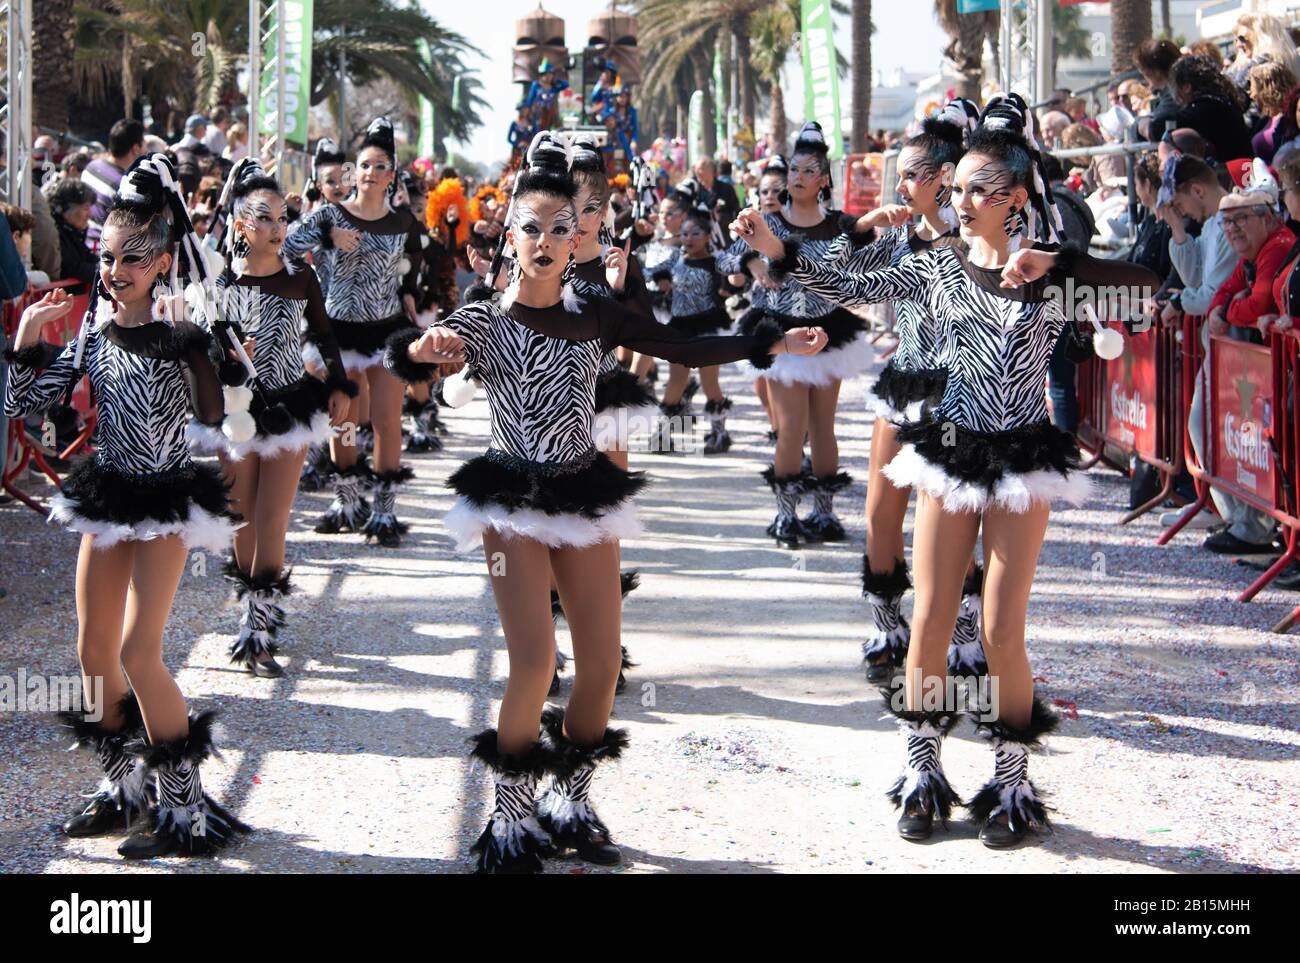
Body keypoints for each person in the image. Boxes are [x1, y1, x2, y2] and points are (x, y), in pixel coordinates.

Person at [383, 131, 827, 873]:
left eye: (564, 226)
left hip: (584, 492)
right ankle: (511, 815)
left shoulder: (598, 312)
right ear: (510, 236)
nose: (550, 239)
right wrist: (418, 350)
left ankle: (571, 799)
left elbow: (686, 349)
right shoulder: (485, 316)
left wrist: (772, 341)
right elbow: (417, 350)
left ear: (580, 233)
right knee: (532, 665)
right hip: (511, 500)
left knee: (598, 668)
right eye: (533, 227)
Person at [733, 93, 1158, 849]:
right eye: (953, 188)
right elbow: (849, 287)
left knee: (1000, 626)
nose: (957, 202)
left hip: (1023, 457)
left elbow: (1145, 288)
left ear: (1014, 201)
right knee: (929, 618)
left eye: (974, 190)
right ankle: (923, 769)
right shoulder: (934, 267)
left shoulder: (1049, 276)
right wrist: (778, 245)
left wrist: (1059, 263)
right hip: (950, 452)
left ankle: (1012, 780)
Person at [3, 154, 247, 859]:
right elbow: (27, 405)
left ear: (163, 260)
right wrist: (26, 341)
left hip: (166, 500)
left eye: (134, 258)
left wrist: (207, 347)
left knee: (142, 652)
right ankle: (125, 786)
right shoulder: (90, 330)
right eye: (109, 256)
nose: (117, 270)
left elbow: (220, 412)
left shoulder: (181, 334)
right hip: (108, 495)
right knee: (92, 651)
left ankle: (184, 809)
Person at [208, 159, 355, 677]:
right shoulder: (220, 281)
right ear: (242, 225)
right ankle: (253, 608)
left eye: (283, 217)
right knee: (241, 518)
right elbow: (203, 353)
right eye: (265, 218)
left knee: (272, 519)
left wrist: (338, 383)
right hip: (237, 411)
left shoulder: (302, 277)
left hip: (291, 404)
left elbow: (324, 334)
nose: (278, 227)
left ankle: (259, 625)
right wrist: (226, 357)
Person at [717, 122, 874, 545]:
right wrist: (750, 263)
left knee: (824, 427)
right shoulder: (768, 221)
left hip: (827, 334)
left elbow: (863, 269)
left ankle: (824, 513)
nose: (798, 178)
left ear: (823, 179)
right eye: (794, 171)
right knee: (791, 426)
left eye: (809, 171)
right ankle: (786, 514)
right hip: (780, 334)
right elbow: (724, 260)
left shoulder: (840, 226)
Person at [281, 118, 426, 547]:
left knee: (386, 421)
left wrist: (410, 293)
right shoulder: (330, 213)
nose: (370, 172)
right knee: (341, 419)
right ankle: (346, 502)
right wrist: (325, 235)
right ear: (354, 171)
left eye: (380, 166)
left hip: (386, 329)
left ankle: (383, 513)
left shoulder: (401, 222)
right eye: (364, 165)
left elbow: (413, 261)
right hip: (337, 330)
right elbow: (286, 243)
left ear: (391, 175)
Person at [1195, 165, 1292, 555]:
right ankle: (1243, 522)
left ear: (1267, 219)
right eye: (1226, 221)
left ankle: (1256, 529)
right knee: (1209, 429)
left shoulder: (1278, 245)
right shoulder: (1254, 250)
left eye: (1241, 219)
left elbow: (1258, 302)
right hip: (1253, 369)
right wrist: (1226, 308)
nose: (1231, 228)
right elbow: (1228, 290)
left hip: (1275, 373)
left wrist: (1229, 311)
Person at [82, 120, 146, 248]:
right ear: (136, 148)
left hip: (83, 245)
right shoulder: (124, 186)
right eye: (144, 144)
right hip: (103, 253)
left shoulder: (91, 168)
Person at [48, 179, 98, 291]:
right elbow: (72, 267)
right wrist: (105, 271)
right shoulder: (55, 234)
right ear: (65, 208)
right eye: (86, 208)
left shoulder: (71, 230)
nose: (89, 214)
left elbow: (87, 257)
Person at [1248, 61, 1297, 163]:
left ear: (1266, 90)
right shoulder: (1265, 120)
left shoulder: (1291, 120)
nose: (1251, 94)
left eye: (1252, 87)